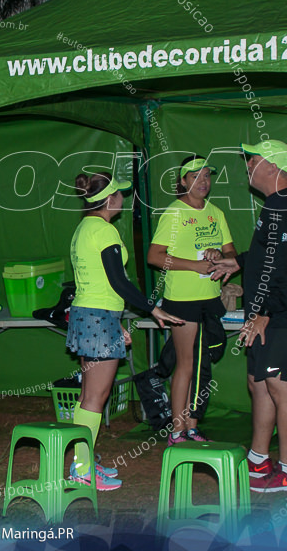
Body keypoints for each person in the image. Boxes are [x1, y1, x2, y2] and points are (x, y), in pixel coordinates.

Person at [210, 140, 287, 494]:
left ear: (273, 166)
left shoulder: (286, 206)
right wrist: (237, 261)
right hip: (267, 313)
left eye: (252, 159)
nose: (248, 165)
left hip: (283, 316)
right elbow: (269, 253)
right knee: (258, 384)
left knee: (280, 387)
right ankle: (258, 460)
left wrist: (265, 314)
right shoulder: (276, 205)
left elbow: (286, 266)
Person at [68, 172, 183, 490]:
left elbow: (97, 283)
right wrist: (153, 308)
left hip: (91, 314)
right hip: (97, 317)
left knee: (89, 396)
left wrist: (116, 321)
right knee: (95, 397)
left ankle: (83, 462)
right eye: (119, 192)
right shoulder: (104, 231)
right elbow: (119, 281)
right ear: (110, 199)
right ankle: (80, 470)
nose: (123, 197)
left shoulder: (85, 228)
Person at [147, 156, 236, 444]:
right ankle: (176, 429)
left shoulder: (216, 213)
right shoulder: (174, 214)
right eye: (196, 177)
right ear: (183, 181)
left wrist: (217, 255)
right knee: (186, 364)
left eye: (207, 176)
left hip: (209, 299)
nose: (203, 182)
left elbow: (232, 254)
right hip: (182, 299)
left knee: (203, 365)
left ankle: (192, 426)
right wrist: (193, 265)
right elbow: (155, 256)